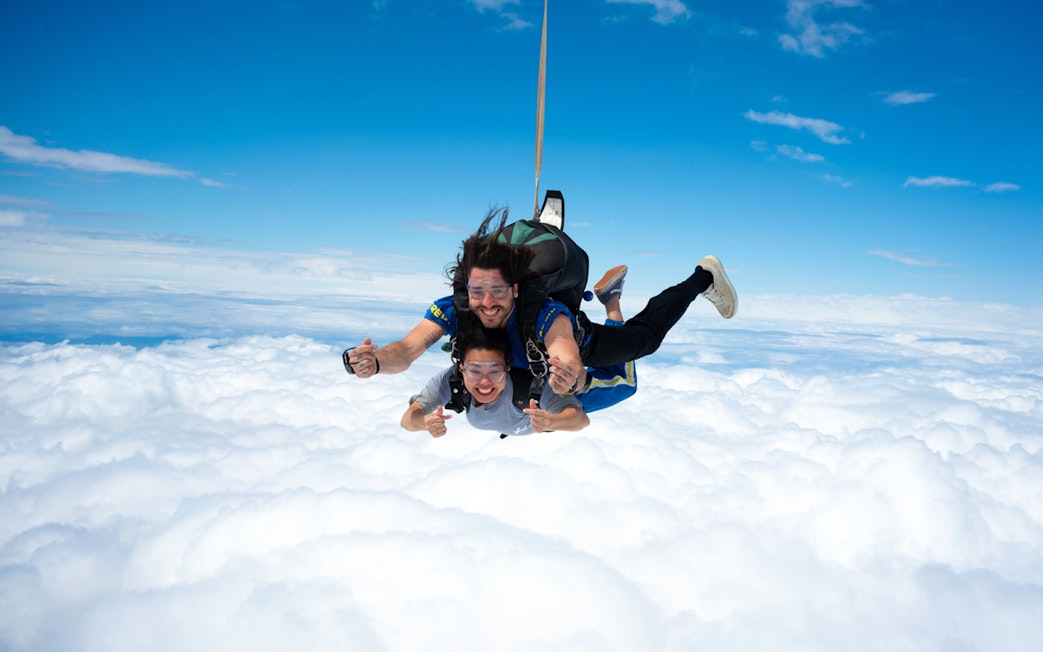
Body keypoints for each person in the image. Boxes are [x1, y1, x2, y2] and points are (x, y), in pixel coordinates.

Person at [345, 209, 736, 394]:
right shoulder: (454, 308)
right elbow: (408, 350)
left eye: (497, 291)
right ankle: (594, 279)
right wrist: (376, 361)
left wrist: (569, 371)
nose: (486, 303)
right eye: (477, 291)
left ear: (515, 289)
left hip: (586, 343)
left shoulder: (546, 314)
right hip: (512, 368)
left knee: (645, 340)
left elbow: (564, 347)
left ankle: (703, 277)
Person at [401, 267, 636, 437]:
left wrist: (551, 421)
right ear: (462, 368)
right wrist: (424, 422)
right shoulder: (450, 382)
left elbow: (579, 419)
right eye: (474, 371)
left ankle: (611, 302)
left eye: (494, 371)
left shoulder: (540, 391)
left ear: (507, 368)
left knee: (625, 384)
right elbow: (407, 420)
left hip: (558, 371)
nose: (484, 381)